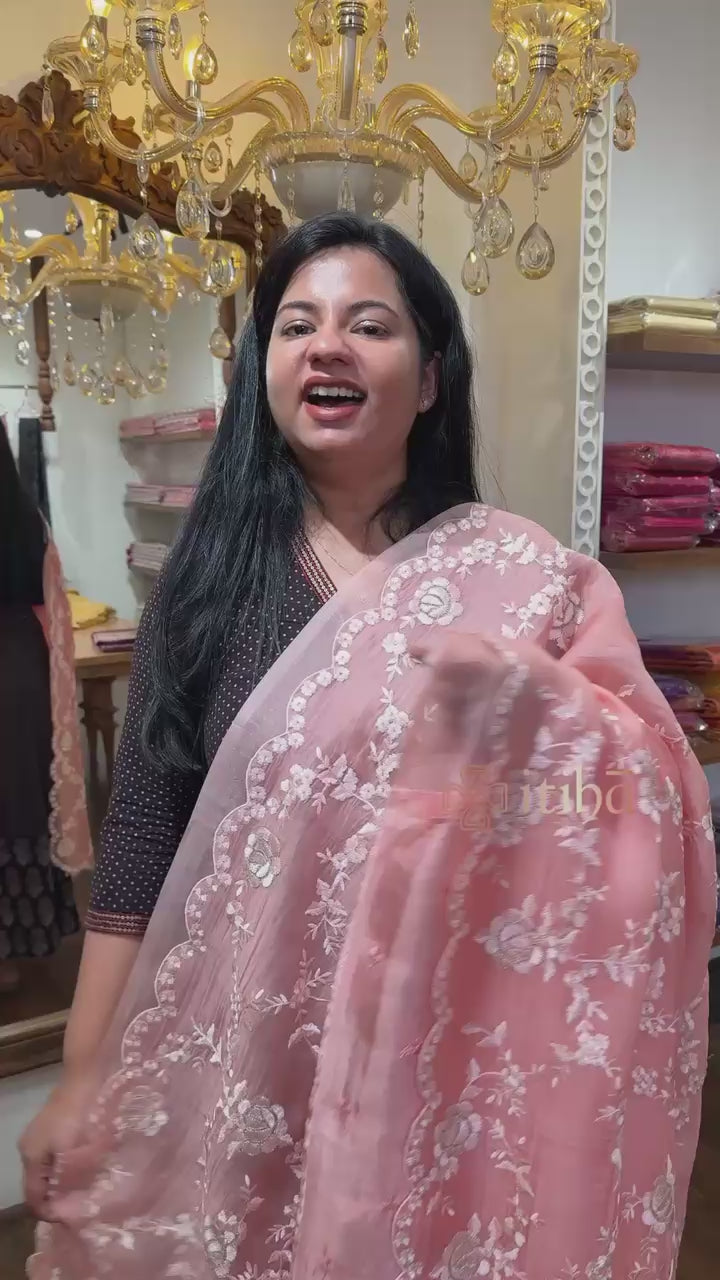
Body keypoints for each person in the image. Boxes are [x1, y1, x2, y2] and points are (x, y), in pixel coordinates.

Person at [23, 214, 714, 1280]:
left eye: (370, 325)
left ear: (430, 380)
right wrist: (79, 1076)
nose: (327, 346)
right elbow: (144, 841)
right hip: (252, 1056)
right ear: (265, 372)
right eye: (298, 326)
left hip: (434, 1057)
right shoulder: (206, 592)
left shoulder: (529, 583)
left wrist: (536, 711)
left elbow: (648, 796)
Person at [0, 419, 91, 993]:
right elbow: (51, 607)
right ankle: (11, 953)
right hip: (19, 672)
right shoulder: (23, 518)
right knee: (15, 804)